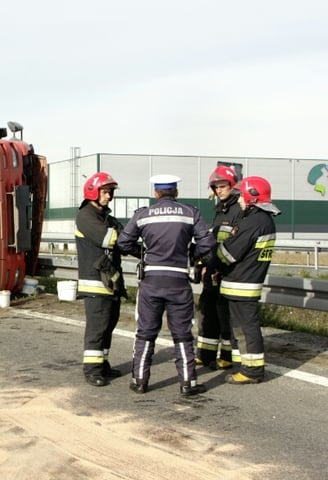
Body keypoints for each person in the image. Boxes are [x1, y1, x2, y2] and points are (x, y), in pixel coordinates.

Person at [117, 175, 216, 396]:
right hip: (179, 281)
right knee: (182, 334)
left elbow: (123, 243)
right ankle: (188, 383)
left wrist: (144, 254)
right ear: (176, 192)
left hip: (151, 281)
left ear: (156, 193)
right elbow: (208, 244)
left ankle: (139, 381)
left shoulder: (142, 215)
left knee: (145, 332)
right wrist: (191, 255)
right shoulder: (190, 213)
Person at [213, 176, 280, 385]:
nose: (239, 200)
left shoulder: (252, 222)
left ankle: (252, 371)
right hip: (247, 282)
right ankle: (243, 365)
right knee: (242, 327)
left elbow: (227, 254)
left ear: (252, 198)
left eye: (241, 196)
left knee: (246, 328)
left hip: (241, 283)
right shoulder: (264, 221)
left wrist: (210, 258)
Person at [75, 172, 133, 386]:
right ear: (93, 192)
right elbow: (111, 239)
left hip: (110, 281)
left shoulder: (105, 217)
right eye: (105, 192)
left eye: (110, 192)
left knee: (108, 326)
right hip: (96, 283)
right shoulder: (86, 216)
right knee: (97, 328)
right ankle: (91, 370)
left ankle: (102, 364)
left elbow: (124, 240)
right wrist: (123, 232)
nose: (109, 196)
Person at [195, 166, 243, 370]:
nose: (219, 190)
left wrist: (218, 265)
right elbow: (214, 240)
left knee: (225, 315)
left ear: (232, 186)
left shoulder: (238, 209)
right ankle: (205, 354)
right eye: (216, 187)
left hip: (227, 271)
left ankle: (227, 355)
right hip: (213, 268)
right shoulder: (219, 209)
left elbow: (234, 243)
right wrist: (204, 263)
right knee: (207, 310)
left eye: (223, 186)